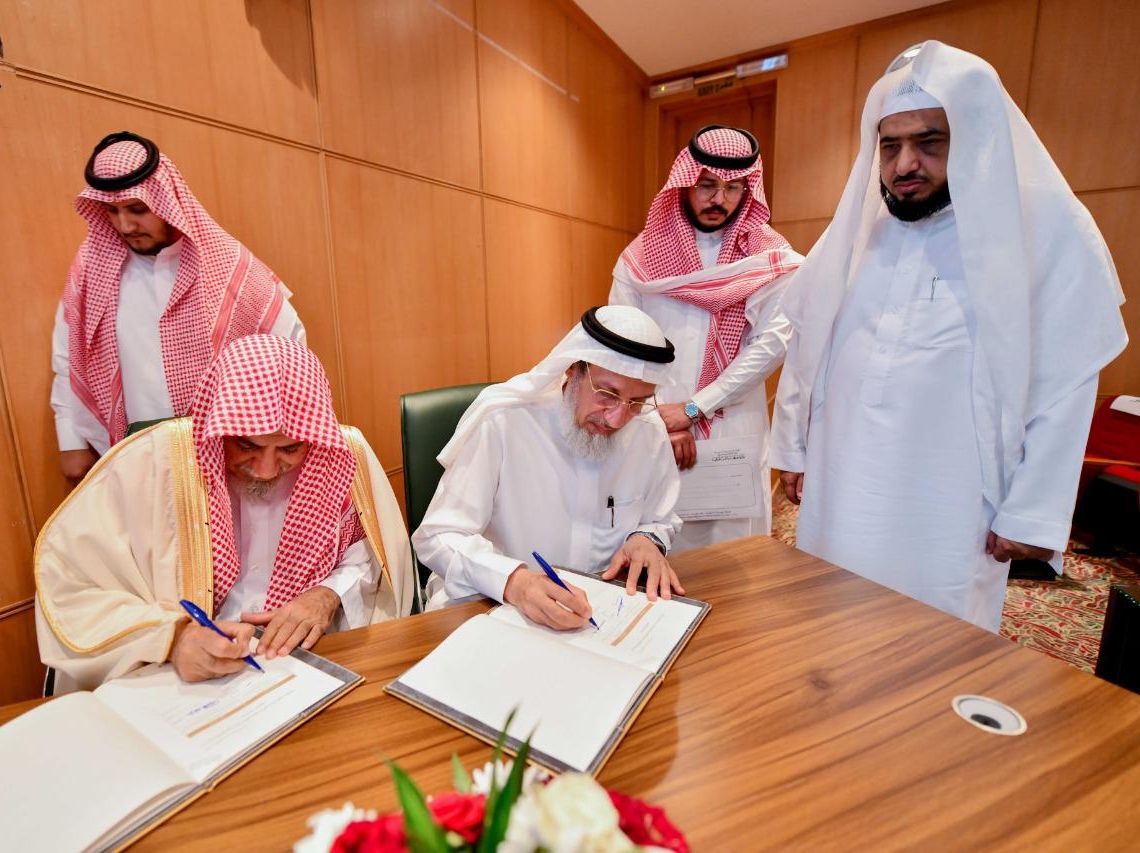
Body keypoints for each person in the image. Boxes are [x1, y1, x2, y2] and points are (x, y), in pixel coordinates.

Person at [769, 41, 1127, 631]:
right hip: (839, 482)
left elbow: (1066, 380)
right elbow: (808, 343)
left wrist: (1032, 510)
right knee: (827, 618)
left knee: (936, 641)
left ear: (976, 136)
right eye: (890, 146)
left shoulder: (1042, 231)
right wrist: (792, 447)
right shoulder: (857, 231)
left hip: (952, 501)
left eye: (930, 142)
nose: (904, 164)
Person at [36, 335, 415, 692]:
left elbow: (371, 555)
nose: (266, 469)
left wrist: (327, 594)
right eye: (247, 446)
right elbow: (72, 581)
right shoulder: (152, 464)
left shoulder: (337, 455)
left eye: (289, 449)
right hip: (178, 681)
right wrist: (174, 638)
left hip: (306, 669)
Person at [52, 131, 306, 482]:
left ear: (166, 200)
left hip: (227, 456)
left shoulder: (229, 267)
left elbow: (292, 357)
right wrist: (70, 439)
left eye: (138, 210)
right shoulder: (93, 269)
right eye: (112, 211)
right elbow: (69, 356)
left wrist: (273, 447)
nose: (125, 225)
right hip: (136, 455)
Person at [413, 306, 685, 629]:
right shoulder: (504, 422)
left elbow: (660, 518)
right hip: (494, 608)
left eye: (637, 402)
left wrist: (646, 539)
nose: (617, 419)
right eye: (607, 394)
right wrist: (513, 581)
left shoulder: (648, 432)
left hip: (603, 614)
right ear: (572, 368)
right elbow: (438, 536)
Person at [610, 126, 801, 551]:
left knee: (734, 554)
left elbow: (771, 345)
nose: (720, 199)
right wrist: (661, 418)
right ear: (684, 183)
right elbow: (623, 345)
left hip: (733, 422)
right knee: (655, 544)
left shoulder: (769, 258)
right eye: (707, 185)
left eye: (733, 187)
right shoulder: (639, 258)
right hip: (652, 423)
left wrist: (694, 409)